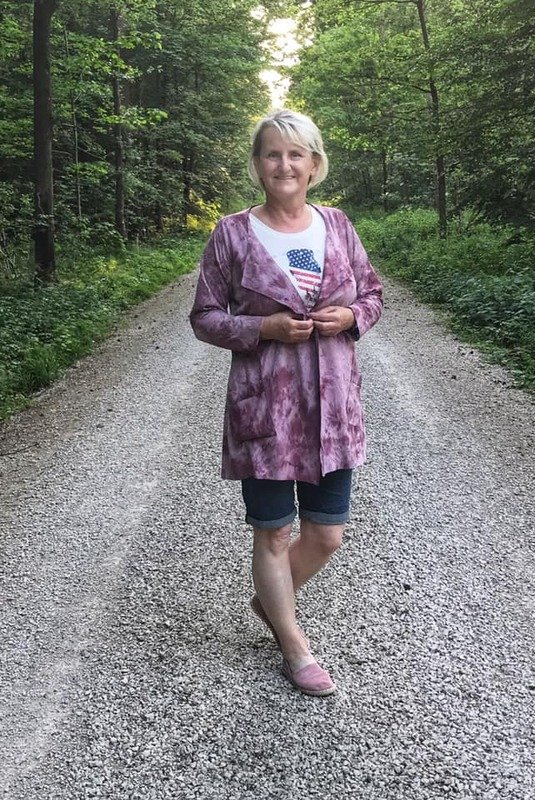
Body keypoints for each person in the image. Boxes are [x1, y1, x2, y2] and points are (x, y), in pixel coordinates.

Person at [189, 109, 382, 697]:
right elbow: (204, 317)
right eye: (272, 153)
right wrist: (262, 328)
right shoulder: (232, 233)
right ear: (257, 164)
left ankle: (270, 601)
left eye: (296, 154)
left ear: (314, 163)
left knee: (326, 535)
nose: (284, 164)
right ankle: (294, 646)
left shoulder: (337, 225)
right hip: (265, 411)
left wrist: (350, 316)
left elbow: (373, 295)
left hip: (333, 409)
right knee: (273, 534)